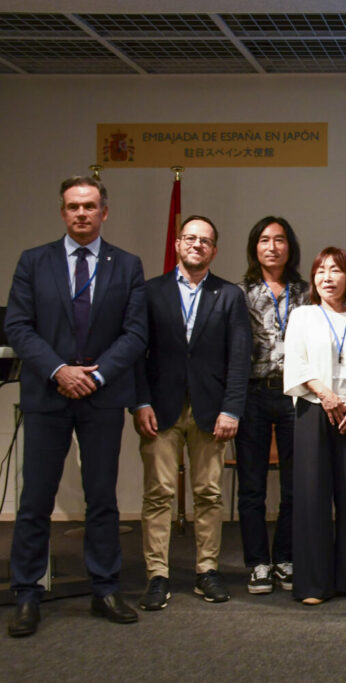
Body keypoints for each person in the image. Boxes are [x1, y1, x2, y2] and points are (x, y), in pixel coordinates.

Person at [5, 176, 147, 637]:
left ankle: (105, 587)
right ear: (62, 213)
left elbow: (135, 334)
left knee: (102, 497)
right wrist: (59, 371)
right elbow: (19, 326)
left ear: (104, 212)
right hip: (48, 395)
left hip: (102, 397)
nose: (81, 213)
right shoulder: (34, 261)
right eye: (72, 207)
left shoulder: (127, 265)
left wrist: (97, 374)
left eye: (89, 206)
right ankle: (27, 593)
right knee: (35, 500)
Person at [133, 215, 251, 610]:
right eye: (190, 238)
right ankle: (157, 575)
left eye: (205, 240)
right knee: (158, 494)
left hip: (211, 411)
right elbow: (136, 354)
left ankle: (206, 571)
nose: (197, 244)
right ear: (177, 245)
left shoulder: (230, 295)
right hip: (160, 410)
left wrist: (232, 408)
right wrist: (140, 402)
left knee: (209, 493)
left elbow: (239, 359)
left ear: (214, 250)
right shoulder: (149, 292)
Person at [284, 247, 346, 605]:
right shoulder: (303, 315)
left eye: (335, 270)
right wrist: (325, 395)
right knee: (312, 498)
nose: (327, 277)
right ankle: (313, 584)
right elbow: (296, 360)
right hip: (313, 412)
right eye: (321, 271)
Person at [236, 216, 310, 595]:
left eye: (280, 239)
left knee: (295, 485)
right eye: (265, 239)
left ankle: (284, 558)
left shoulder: (306, 292)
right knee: (251, 486)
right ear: (255, 247)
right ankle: (257, 563)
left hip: (295, 394)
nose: (272, 246)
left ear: (289, 247)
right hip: (253, 393)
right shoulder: (239, 292)